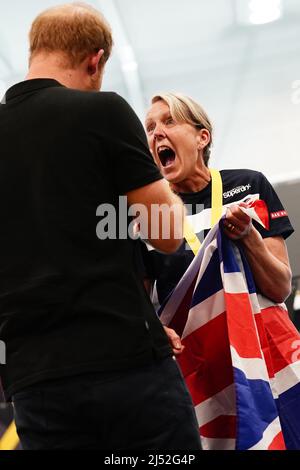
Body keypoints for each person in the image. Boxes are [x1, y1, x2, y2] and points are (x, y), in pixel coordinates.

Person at [0, 5, 201, 450]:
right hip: (126, 372)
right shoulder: (101, 111)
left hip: (35, 383)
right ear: (96, 59)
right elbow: (166, 233)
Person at [143, 92, 294, 319]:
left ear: (202, 138)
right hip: (193, 351)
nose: (157, 133)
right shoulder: (147, 215)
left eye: (170, 121)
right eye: (150, 127)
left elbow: (280, 288)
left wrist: (248, 236)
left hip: (261, 345)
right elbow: (142, 313)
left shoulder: (250, 186)